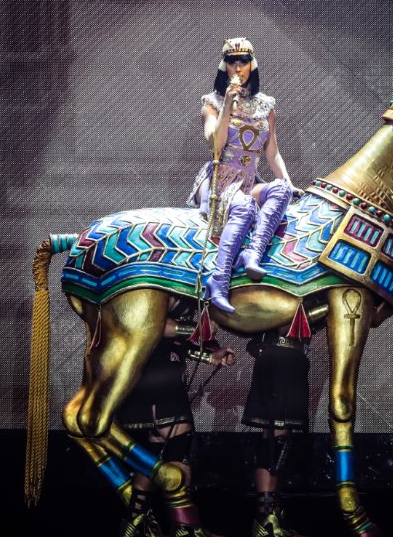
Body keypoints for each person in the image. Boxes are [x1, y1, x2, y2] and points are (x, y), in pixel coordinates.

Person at [187, 37, 300, 314]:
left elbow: (272, 151)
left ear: (252, 65)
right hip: (219, 180)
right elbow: (215, 145)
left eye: (244, 61)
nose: (238, 67)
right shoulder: (212, 103)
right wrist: (227, 104)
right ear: (224, 67)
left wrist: (288, 181)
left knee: (281, 190)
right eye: (232, 62)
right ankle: (219, 280)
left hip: (248, 180)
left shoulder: (266, 106)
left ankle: (253, 253)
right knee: (245, 206)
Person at [114, 309, 236, 537]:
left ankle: (136, 524)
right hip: (157, 388)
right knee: (180, 450)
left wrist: (212, 356)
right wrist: (201, 329)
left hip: (158, 389)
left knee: (155, 457)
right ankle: (185, 528)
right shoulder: (155, 299)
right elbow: (156, 324)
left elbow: (181, 346)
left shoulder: (177, 310)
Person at [241, 326, 312, 537]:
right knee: (275, 439)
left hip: (291, 360)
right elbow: (279, 320)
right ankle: (265, 520)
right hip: (280, 360)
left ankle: (272, 516)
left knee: (280, 439)